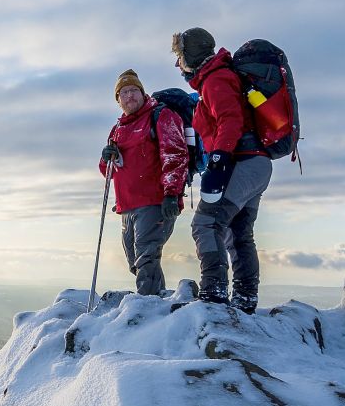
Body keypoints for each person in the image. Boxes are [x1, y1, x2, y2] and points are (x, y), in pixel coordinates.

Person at [174, 27, 270, 313]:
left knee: (206, 223)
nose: (178, 63)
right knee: (238, 231)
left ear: (191, 55)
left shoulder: (216, 80)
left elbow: (230, 120)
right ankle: (244, 298)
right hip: (255, 164)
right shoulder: (219, 77)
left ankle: (214, 293)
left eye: (179, 56)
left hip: (242, 161)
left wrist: (218, 160)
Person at [98, 69, 188, 297]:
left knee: (146, 258)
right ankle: (156, 302)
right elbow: (107, 171)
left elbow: (175, 154)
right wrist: (105, 156)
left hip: (155, 202)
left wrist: (171, 193)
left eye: (134, 90)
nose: (130, 96)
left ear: (142, 92)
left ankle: (145, 311)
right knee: (136, 262)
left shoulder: (161, 115)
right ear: (118, 100)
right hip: (127, 206)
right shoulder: (117, 129)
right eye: (124, 92)